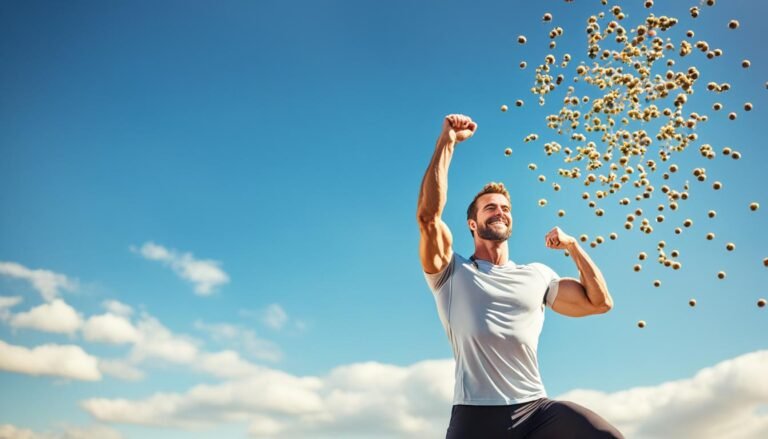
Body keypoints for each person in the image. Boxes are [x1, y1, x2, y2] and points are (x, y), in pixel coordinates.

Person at [417, 114, 624, 438]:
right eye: (490, 208)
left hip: (536, 410)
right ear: (472, 224)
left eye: (505, 208)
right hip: (476, 416)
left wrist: (573, 247)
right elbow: (428, 217)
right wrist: (447, 142)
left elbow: (600, 303)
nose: (500, 211)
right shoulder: (452, 271)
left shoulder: (537, 275)